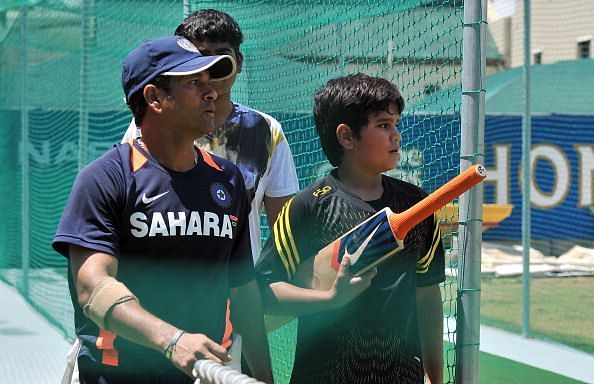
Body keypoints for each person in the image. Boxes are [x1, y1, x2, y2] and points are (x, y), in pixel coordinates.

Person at [53, 35, 273, 383]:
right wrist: (172, 341)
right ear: (154, 98)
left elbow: (243, 289)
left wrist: (263, 376)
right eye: (194, 83)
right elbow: (92, 288)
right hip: (118, 376)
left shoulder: (228, 180)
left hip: (205, 374)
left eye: (211, 81)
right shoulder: (105, 179)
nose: (212, 91)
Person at [256, 73, 445, 384]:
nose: (396, 135)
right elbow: (264, 291)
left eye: (396, 124)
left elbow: (427, 295)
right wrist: (330, 299)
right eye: (383, 125)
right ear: (346, 137)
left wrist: (436, 379)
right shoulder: (308, 207)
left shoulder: (415, 205)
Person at [122, 9, 299, 262]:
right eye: (202, 59)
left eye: (222, 59)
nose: (212, 69)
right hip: (163, 282)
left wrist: (267, 291)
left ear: (238, 62)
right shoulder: (149, 125)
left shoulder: (266, 130)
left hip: (239, 290)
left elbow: (285, 231)